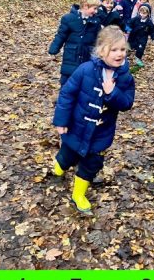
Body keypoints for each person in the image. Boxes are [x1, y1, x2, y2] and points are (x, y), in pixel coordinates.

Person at [51, 26, 135, 215]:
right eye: (114, 50)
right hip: (76, 127)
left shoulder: (125, 77)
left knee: (91, 165)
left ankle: (78, 194)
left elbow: (127, 103)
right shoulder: (85, 70)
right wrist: (61, 121)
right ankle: (58, 167)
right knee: (67, 156)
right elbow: (67, 94)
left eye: (122, 49)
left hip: (101, 133)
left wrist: (112, 93)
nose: (119, 54)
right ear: (101, 50)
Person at [49, 0, 102, 85]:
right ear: (85, 6)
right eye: (94, 8)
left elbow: (98, 38)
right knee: (67, 80)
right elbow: (61, 35)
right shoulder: (69, 19)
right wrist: (54, 48)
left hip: (87, 55)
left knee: (84, 80)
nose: (96, 11)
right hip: (71, 55)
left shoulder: (95, 21)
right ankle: (65, 97)